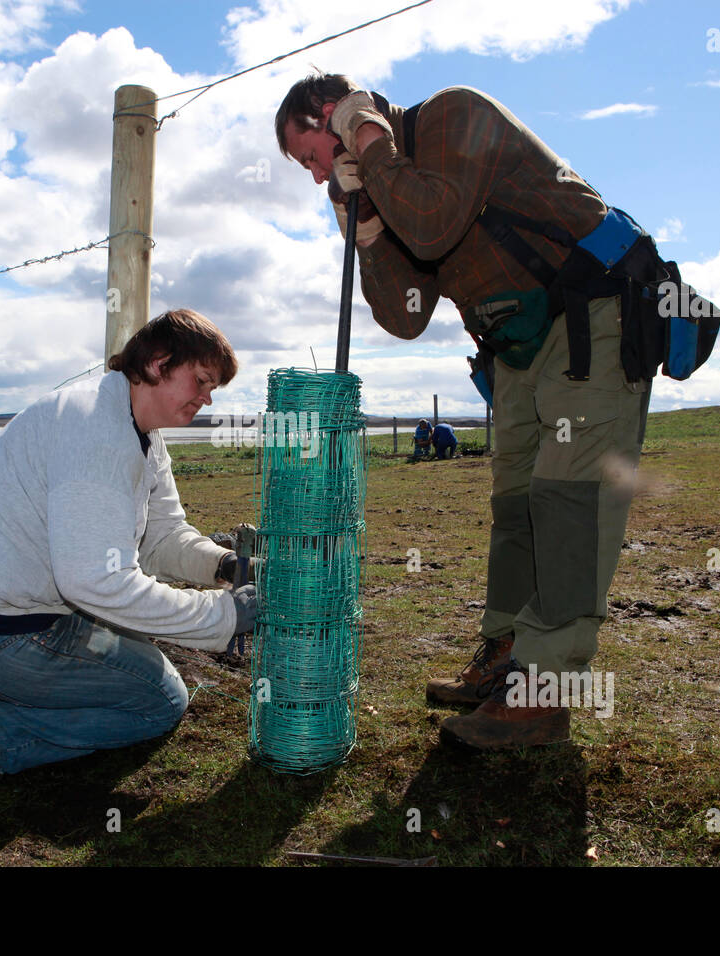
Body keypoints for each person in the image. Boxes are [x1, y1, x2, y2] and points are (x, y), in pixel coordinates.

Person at [276, 74, 656, 749]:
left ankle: (544, 695)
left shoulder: (454, 115)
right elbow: (407, 316)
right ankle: (507, 657)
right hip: (514, 344)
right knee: (516, 505)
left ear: (329, 115)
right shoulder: (389, 183)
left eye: (308, 155)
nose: (314, 177)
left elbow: (433, 224)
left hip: (591, 314)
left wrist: (368, 138)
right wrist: (364, 230)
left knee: (570, 499)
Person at [0, 308, 257, 790]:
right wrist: (224, 618)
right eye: (201, 380)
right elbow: (95, 581)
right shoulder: (97, 434)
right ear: (157, 362)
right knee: (160, 701)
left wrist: (223, 565)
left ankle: (6, 692)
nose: (206, 399)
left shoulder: (138, 431)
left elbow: (161, 536)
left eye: (213, 389)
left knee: (135, 649)